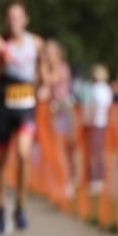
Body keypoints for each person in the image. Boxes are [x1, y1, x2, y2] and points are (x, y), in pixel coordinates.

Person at [0, 1, 48, 234]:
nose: (13, 21)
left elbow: (43, 73)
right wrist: (0, 64)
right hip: (3, 103)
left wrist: (45, 85)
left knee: (23, 153)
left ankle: (20, 204)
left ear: (26, 19)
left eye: (17, 17)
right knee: (2, 159)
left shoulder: (36, 43)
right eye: (9, 17)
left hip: (26, 103)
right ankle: (1, 207)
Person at [44, 40, 76, 197]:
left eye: (50, 53)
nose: (47, 56)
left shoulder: (61, 68)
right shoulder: (52, 68)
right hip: (54, 110)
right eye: (46, 53)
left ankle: (67, 182)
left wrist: (41, 68)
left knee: (61, 149)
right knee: (57, 148)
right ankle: (61, 181)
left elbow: (50, 80)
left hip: (62, 110)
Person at [83, 64, 113, 194]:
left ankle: (98, 179)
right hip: (94, 122)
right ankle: (93, 178)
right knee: (94, 152)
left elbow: (99, 104)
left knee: (97, 152)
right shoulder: (97, 88)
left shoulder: (102, 89)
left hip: (99, 122)